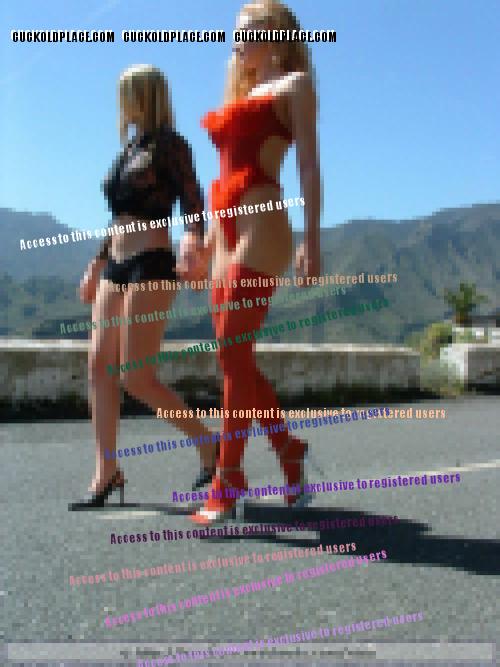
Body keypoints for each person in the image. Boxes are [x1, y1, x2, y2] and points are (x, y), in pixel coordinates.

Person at [181, 0, 322, 525]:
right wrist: (202, 244)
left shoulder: (294, 86)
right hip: (225, 232)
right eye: (234, 31)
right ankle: (288, 448)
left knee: (233, 354)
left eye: (248, 30)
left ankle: (229, 476)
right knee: (234, 357)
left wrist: (312, 239)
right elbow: (222, 174)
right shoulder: (239, 95)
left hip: (262, 226)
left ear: (277, 34)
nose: (237, 39)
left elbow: (308, 166)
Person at [70, 65, 217, 509]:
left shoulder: (171, 144)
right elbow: (117, 216)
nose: (121, 104)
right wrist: (96, 263)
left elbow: (193, 200)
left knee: (135, 377)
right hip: (115, 264)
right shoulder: (127, 151)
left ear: (144, 96)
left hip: (151, 262)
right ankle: (106, 471)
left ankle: (208, 444)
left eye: (127, 94)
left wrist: (193, 239)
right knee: (98, 367)